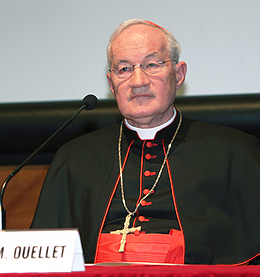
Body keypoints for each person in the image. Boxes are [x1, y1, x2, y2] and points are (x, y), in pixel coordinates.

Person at [31, 19, 260, 265]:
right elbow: (42, 258)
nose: (138, 81)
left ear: (179, 74)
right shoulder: (74, 159)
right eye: (124, 69)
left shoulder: (235, 152)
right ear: (111, 84)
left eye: (152, 64)